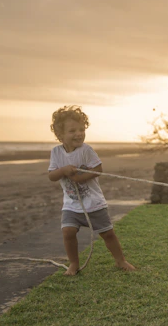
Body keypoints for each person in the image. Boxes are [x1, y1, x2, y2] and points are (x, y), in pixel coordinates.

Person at [48, 105, 136, 275]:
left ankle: (121, 261)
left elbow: (98, 169)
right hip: (71, 204)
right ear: (60, 135)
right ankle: (73, 263)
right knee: (68, 232)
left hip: (94, 203)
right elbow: (52, 175)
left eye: (81, 129)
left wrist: (79, 178)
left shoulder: (86, 150)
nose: (79, 134)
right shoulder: (56, 153)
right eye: (72, 130)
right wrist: (63, 170)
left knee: (108, 234)